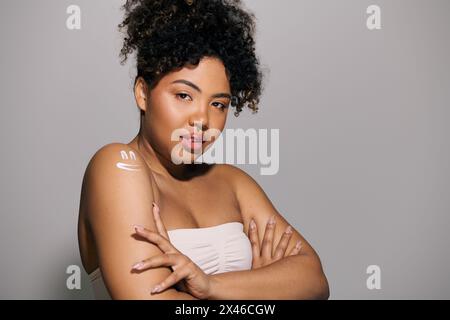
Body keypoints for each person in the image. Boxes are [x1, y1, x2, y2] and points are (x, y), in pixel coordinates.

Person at [77, 0, 329, 299]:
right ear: (143, 93)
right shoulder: (118, 166)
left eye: (218, 104)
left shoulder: (233, 183)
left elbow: (314, 281)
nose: (202, 120)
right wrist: (260, 287)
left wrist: (210, 286)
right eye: (184, 95)